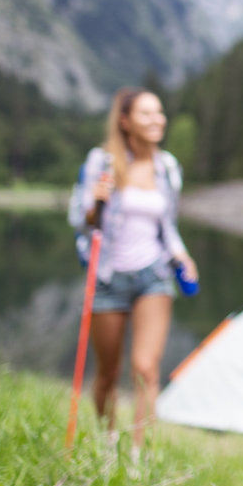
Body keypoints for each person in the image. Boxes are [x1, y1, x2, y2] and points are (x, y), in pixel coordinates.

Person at [67, 87, 198, 452]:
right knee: (107, 374)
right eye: (146, 114)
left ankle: (139, 457)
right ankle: (109, 444)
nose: (157, 120)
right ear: (125, 122)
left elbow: (167, 225)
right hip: (108, 277)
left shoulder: (167, 167)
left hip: (154, 276)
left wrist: (182, 256)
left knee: (145, 368)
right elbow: (80, 219)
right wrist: (95, 202)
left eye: (159, 112)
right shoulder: (102, 162)